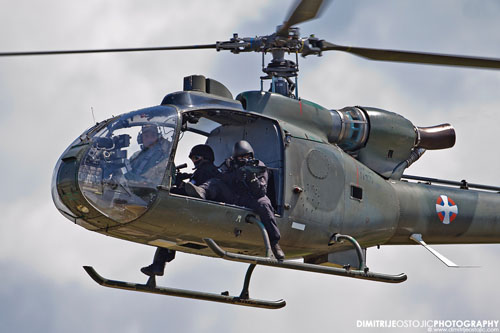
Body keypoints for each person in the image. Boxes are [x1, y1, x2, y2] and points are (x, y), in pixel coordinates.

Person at [185, 140, 285, 260]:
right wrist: (236, 174)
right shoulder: (230, 164)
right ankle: (202, 192)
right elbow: (220, 177)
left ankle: (274, 243)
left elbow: (260, 192)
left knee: (264, 203)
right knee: (215, 183)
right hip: (235, 198)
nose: (245, 159)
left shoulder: (259, 166)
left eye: (247, 156)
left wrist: (251, 177)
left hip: (252, 199)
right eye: (241, 157)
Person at [140, 144, 219, 277]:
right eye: (192, 158)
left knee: (169, 223)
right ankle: (160, 263)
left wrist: (172, 190)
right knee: (170, 225)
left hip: (203, 214)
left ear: (205, 157)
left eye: (196, 157)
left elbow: (193, 192)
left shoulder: (205, 170)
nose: (194, 161)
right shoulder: (208, 171)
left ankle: (159, 264)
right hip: (204, 212)